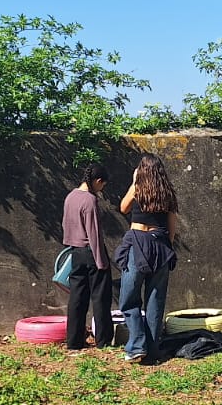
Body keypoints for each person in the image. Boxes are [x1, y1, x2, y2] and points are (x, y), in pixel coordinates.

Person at [115, 153, 179, 363]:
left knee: (128, 298)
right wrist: (167, 248)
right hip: (160, 245)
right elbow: (171, 227)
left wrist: (134, 182)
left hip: (138, 243)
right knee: (155, 300)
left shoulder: (137, 188)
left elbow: (123, 208)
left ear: (140, 171)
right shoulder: (167, 193)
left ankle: (137, 346)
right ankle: (151, 351)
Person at [61, 163, 114, 350]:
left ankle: (74, 340)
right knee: (100, 297)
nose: (101, 189)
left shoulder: (70, 196)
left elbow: (66, 225)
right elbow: (94, 233)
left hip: (75, 251)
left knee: (77, 297)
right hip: (92, 252)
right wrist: (102, 261)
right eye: (102, 185)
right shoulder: (90, 200)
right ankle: (103, 340)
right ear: (98, 181)